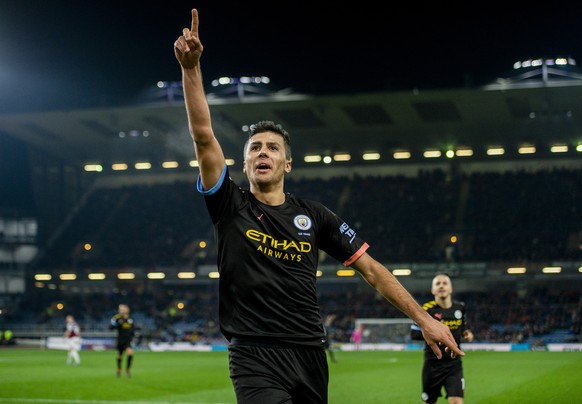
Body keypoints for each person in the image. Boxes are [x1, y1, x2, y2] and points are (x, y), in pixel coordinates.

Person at [173, 8, 464, 403]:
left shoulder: (315, 215)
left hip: (310, 354)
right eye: (255, 148)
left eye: (272, 148)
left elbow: (372, 271)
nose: (263, 152)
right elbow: (204, 137)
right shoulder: (229, 204)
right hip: (254, 354)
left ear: (286, 163)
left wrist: (424, 319)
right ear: (243, 163)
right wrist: (191, 69)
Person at [410, 273, 474, 404]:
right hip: (432, 365)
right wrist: (435, 333)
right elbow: (414, 333)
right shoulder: (426, 310)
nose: (441, 286)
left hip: (454, 365)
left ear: (450, 288)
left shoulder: (460, 308)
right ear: (433, 290)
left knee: (457, 401)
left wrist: (467, 334)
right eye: (437, 284)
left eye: (445, 283)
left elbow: (463, 328)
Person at [110, 304, 136, 378]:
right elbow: (111, 327)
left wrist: (133, 335)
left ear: (127, 310)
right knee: (119, 356)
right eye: (120, 309)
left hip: (128, 341)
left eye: (122, 309)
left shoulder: (130, 319)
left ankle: (127, 370)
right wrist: (117, 322)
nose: (121, 310)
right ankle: (119, 369)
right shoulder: (118, 318)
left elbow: (133, 328)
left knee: (130, 354)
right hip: (120, 340)